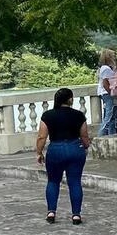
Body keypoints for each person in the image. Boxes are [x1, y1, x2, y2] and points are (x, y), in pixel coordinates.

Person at [37, 87, 91, 224]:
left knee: (53, 181)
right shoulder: (79, 115)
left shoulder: (47, 116)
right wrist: (85, 147)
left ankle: (51, 212)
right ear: (70, 100)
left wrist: (39, 152)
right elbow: (84, 136)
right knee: (74, 182)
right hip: (75, 148)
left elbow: (42, 137)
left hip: (55, 149)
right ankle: (76, 215)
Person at [95, 49, 117, 136]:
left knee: (112, 117)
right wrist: (112, 93)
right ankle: (101, 135)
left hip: (105, 93)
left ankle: (112, 135)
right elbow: (105, 83)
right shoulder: (106, 69)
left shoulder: (106, 68)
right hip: (107, 93)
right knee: (109, 116)